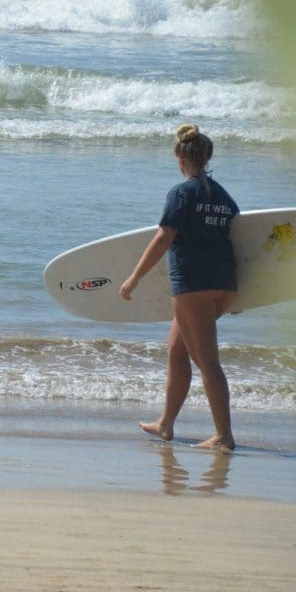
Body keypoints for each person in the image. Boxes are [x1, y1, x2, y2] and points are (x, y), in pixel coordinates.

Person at [120, 123, 239, 451]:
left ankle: (224, 436)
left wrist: (135, 277)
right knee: (176, 352)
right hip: (224, 284)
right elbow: (240, 238)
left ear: (181, 160)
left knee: (207, 361)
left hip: (193, 286)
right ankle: (165, 424)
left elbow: (163, 237)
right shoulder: (223, 196)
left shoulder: (182, 193)